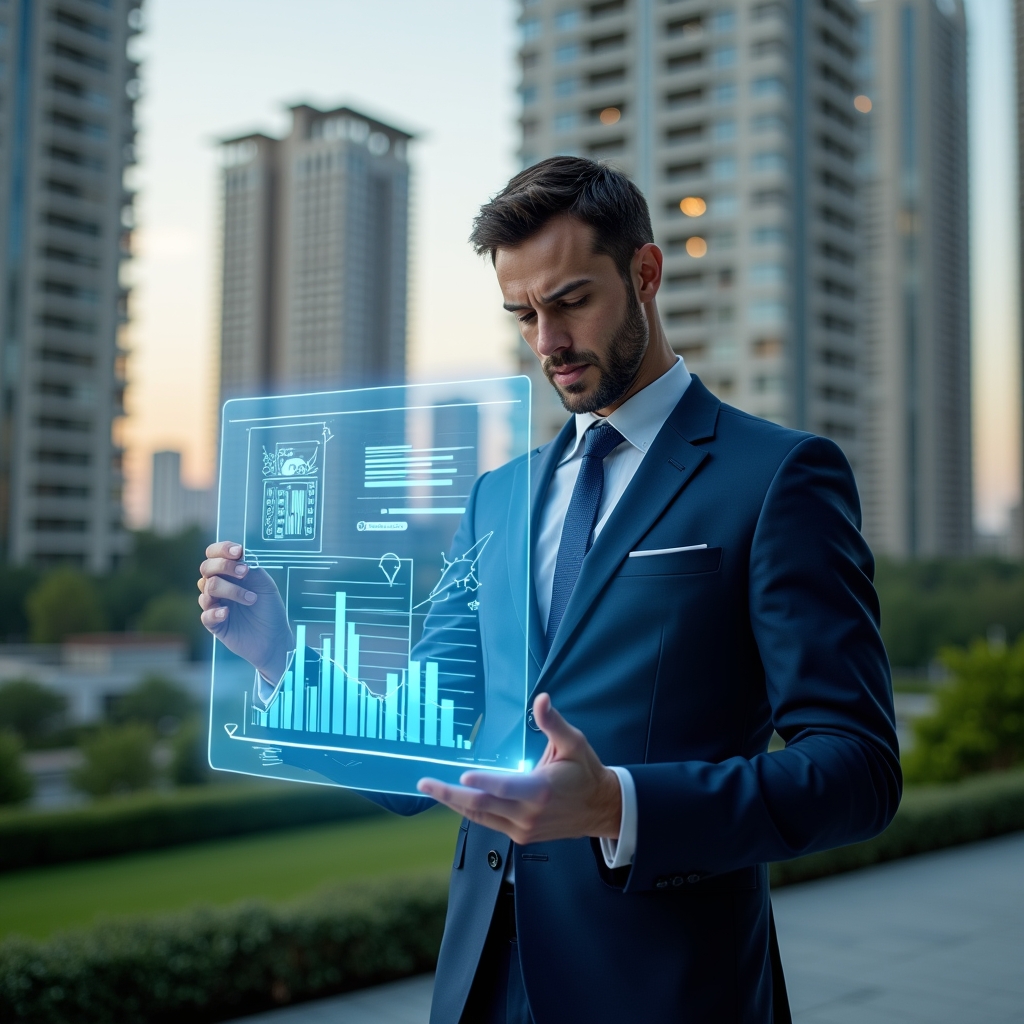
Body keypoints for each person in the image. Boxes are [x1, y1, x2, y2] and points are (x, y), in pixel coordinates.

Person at [199, 156, 901, 1024]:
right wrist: (275, 655)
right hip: (482, 991)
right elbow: (425, 747)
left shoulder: (778, 477)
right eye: (521, 314)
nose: (547, 342)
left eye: (570, 302)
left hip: (670, 991)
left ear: (645, 274)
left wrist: (617, 805)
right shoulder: (499, 495)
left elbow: (858, 769)